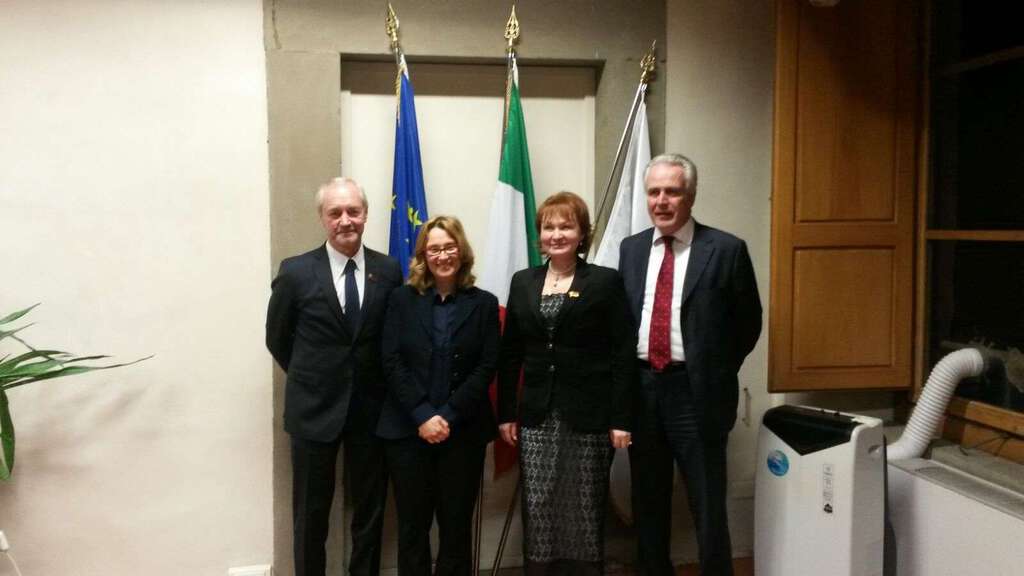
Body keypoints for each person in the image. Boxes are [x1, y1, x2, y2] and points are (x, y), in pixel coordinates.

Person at [619, 154, 762, 576]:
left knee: (708, 504)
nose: (661, 201)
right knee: (648, 502)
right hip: (643, 390)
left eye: (672, 191)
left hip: (695, 395)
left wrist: (711, 370)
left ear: (691, 195)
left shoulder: (726, 250)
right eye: (654, 192)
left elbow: (748, 324)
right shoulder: (631, 249)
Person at [266, 177, 403, 576]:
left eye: (353, 211)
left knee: (370, 511)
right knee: (311, 513)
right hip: (313, 410)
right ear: (322, 218)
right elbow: (278, 338)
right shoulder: (295, 272)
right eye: (335, 212)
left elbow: (392, 338)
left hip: (371, 411)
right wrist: (315, 377)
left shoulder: (389, 270)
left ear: (366, 214)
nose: (345, 220)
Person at [498, 191, 635, 575]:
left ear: (582, 233)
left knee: (585, 502)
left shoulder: (605, 282)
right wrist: (506, 413)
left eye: (566, 226)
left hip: (589, 416)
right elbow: (510, 354)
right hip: (537, 416)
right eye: (549, 227)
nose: (556, 234)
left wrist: (621, 418)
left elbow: (622, 354)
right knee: (539, 503)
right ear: (540, 234)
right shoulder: (523, 282)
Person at [377, 216, 500, 576]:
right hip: (408, 432)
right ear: (423, 255)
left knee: (456, 528)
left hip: (463, 432)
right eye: (434, 249)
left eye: (449, 247)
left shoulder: (485, 304)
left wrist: (446, 415)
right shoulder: (400, 300)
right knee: (412, 528)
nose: (442, 255)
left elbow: (487, 365)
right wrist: (422, 415)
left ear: (461, 251)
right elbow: (390, 360)